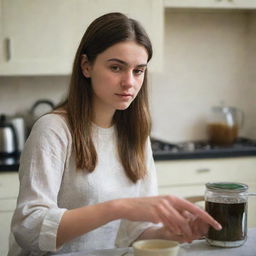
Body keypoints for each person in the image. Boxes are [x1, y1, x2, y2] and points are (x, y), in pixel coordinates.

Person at [8, 12, 222, 255]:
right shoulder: (53, 129)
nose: (129, 82)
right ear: (86, 66)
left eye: (138, 70)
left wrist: (176, 232)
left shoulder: (136, 133)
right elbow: (29, 229)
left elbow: (136, 232)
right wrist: (120, 207)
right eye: (116, 67)